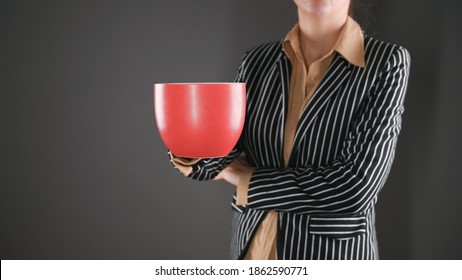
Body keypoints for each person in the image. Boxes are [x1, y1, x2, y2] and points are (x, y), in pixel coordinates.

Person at [169, 0, 410, 260]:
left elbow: (354, 187)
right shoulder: (256, 63)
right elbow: (218, 159)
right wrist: (187, 138)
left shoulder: (386, 62)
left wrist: (244, 179)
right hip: (252, 253)